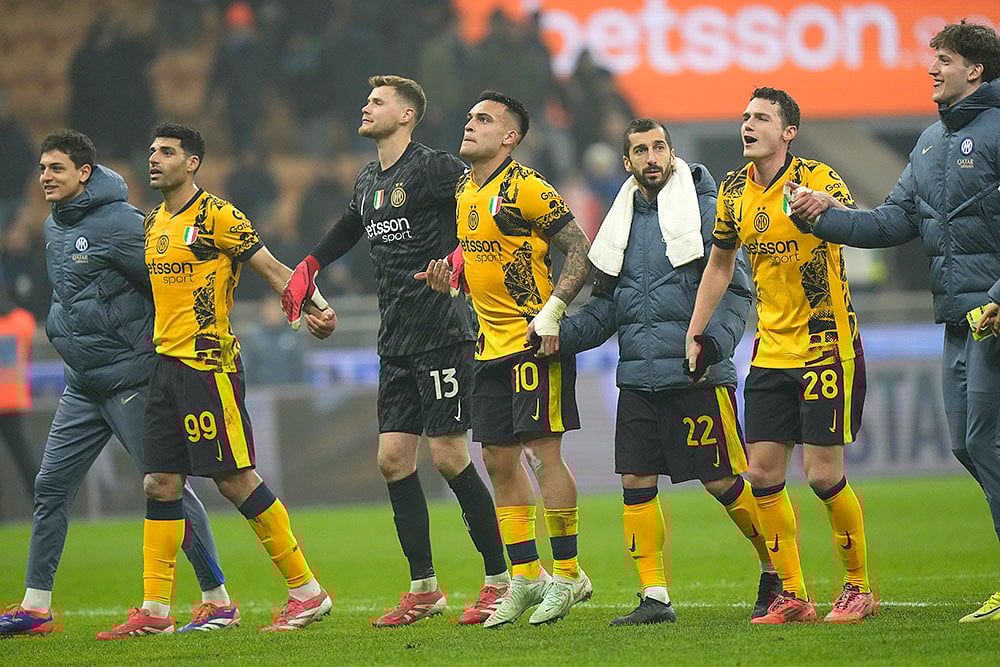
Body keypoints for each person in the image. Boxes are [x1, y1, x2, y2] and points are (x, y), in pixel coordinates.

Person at [789, 21, 1000, 624]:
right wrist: (823, 216)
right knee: (966, 445)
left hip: (994, 316)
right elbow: (890, 222)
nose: (932, 69)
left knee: (985, 442)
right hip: (960, 322)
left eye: (945, 60)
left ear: (976, 70)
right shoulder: (930, 142)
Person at [282, 75, 509, 627]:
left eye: (378, 101)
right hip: (397, 340)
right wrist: (310, 265)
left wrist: (459, 261)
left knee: (449, 457)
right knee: (391, 461)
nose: (366, 107)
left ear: (406, 115)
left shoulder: (434, 168)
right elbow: (347, 228)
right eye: (367, 100)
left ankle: (501, 580)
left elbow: (483, 210)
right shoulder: (368, 179)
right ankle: (424, 588)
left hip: (443, 332)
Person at [96, 123, 334, 639]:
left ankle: (307, 592)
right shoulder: (154, 221)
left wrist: (316, 305)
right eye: (152, 150)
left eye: (166, 152)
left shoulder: (217, 215)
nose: (153, 158)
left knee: (234, 479)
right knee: (160, 483)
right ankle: (155, 611)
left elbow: (272, 267)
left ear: (192, 163)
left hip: (209, 366)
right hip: (165, 367)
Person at [0, 129, 231, 638]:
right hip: (83, 383)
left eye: (56, 168)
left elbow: (166, 285)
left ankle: (217, 600)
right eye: (42, 168)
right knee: (50, 485)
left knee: (167, 487)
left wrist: (155, 348)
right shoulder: (54, 225)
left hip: (131, 377)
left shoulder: (122, 223)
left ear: (84, 173)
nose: (45, 177)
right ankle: (36, 607)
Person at [558, 118, 779, 625]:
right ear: (627, 162)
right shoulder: (619, 222)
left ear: (672, 153)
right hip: (638, 376)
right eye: (640, 150)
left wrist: (713, 344)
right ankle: (654, 597)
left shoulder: (705, 209)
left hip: (695, 374)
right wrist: (560, 334)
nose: (651, 157)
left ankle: (777, 570)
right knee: (636, 482)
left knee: (721, 481)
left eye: (659, 147)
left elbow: (736, 290)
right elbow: (607, 306)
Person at [686, 88, 877, 624]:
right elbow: (720, 262)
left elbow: (855, 224)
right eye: (745, 116)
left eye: (761, 118)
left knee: (821, 475)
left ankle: (858, 588)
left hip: (826, 347)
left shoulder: (817, 179)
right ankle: (792, 595)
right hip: (770, 351)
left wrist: (828, 209)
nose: (748, 125)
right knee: (763, 474)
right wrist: (696, 330)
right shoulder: (733, 191)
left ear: (788, 132)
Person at [418, 90, 594, 627]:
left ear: (510, 137)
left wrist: (554, 312)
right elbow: (480, 254)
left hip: (534, 343)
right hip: (487, 346)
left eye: (484, 119)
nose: (470, 124)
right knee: (497, 460)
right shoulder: (465, 191)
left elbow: (579, 248)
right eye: (470, 117)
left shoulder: (527, 187)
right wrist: (453, 275)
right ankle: (525, 575)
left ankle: (569, 575)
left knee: (542, 455)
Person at [0, 282, 36, 499]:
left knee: (25, 460)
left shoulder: (23, 321)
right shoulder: (24, 321)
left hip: (12, 402)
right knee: (24, 459)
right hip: (15, 400)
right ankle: (42, 506)